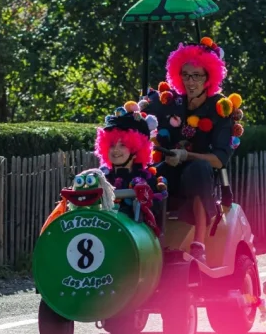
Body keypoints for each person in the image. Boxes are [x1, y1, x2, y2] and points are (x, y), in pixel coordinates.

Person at [150, 38, 244, 262]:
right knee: (148, 179)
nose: (190, 82)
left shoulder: (221, 108)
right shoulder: (172, 102)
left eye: (197, 76)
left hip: (203, 176)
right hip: (172, 171)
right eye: (185, 75)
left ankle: (198, 244)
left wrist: (186, 156)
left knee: (197, 170)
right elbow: (153, 129)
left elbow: (220, 160)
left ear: (209, 77)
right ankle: (148, 243)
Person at [94, 107, 167, 235]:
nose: (115, 150)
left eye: (123, 145)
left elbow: (154, 216)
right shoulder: (100, 178)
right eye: (111, 144)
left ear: (136, 150)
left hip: (135, 243)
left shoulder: (148, 179)